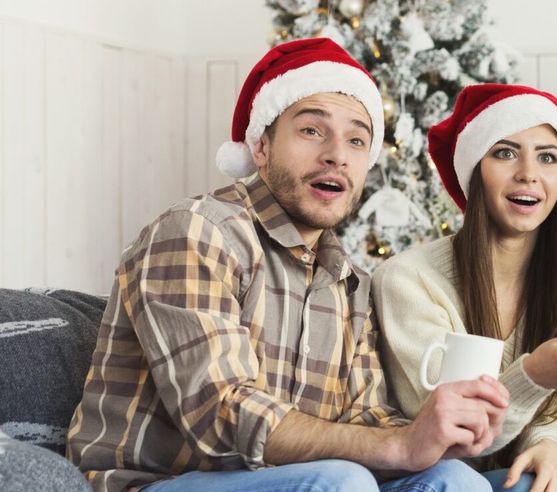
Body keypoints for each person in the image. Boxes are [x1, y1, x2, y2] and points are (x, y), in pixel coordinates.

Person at [65, 38, 506, 492]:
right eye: (312, 130)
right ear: (260, 146)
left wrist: (435, 438)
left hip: (293, 480)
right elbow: (220, 415)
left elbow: (363, 416)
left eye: (357, 139)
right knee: (343, 482)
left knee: (455, 480)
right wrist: (397, 446)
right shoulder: (197, 232)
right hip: (156, 482)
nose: (337, 153)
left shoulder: (351, 283)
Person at [373, 84, 557, 492]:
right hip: (438, 477)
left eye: (547, 157)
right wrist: (533, 376)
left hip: (510, 477)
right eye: (504, 152)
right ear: (474, 170)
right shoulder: (407, 279)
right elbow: (454, 441)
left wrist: (552, 446)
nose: (528, 173)